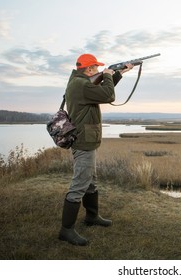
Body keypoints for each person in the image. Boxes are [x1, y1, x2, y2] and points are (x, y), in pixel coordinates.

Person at [59, 54, 133, 246]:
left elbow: (99, 93)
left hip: (86, 140)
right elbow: (108, 95)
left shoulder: (80, 82)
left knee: (90, 181)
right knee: (79, 185)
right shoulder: (81, 84)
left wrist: (117, 74)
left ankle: (92, 217)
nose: (99, 70)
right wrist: (108, 75)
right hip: (84, 142)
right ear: (89, 69)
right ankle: (66, 230)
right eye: (96, 68)